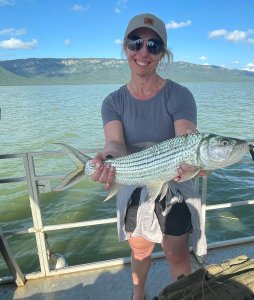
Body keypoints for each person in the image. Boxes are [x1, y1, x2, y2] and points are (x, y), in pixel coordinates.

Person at [91, 13, 207, 300]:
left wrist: (194, 163)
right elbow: (115, 145)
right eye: (135, 42)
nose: (143, 52)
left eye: (154, 46)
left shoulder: (180, 95)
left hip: (175, 180)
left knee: (176, 252)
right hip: (133, 179)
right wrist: (106, 158)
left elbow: (187, 138)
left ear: (162, 54)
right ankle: (138, 295)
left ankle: (185, 297)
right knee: (140, 249)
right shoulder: (113, 101)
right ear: (125, 47)